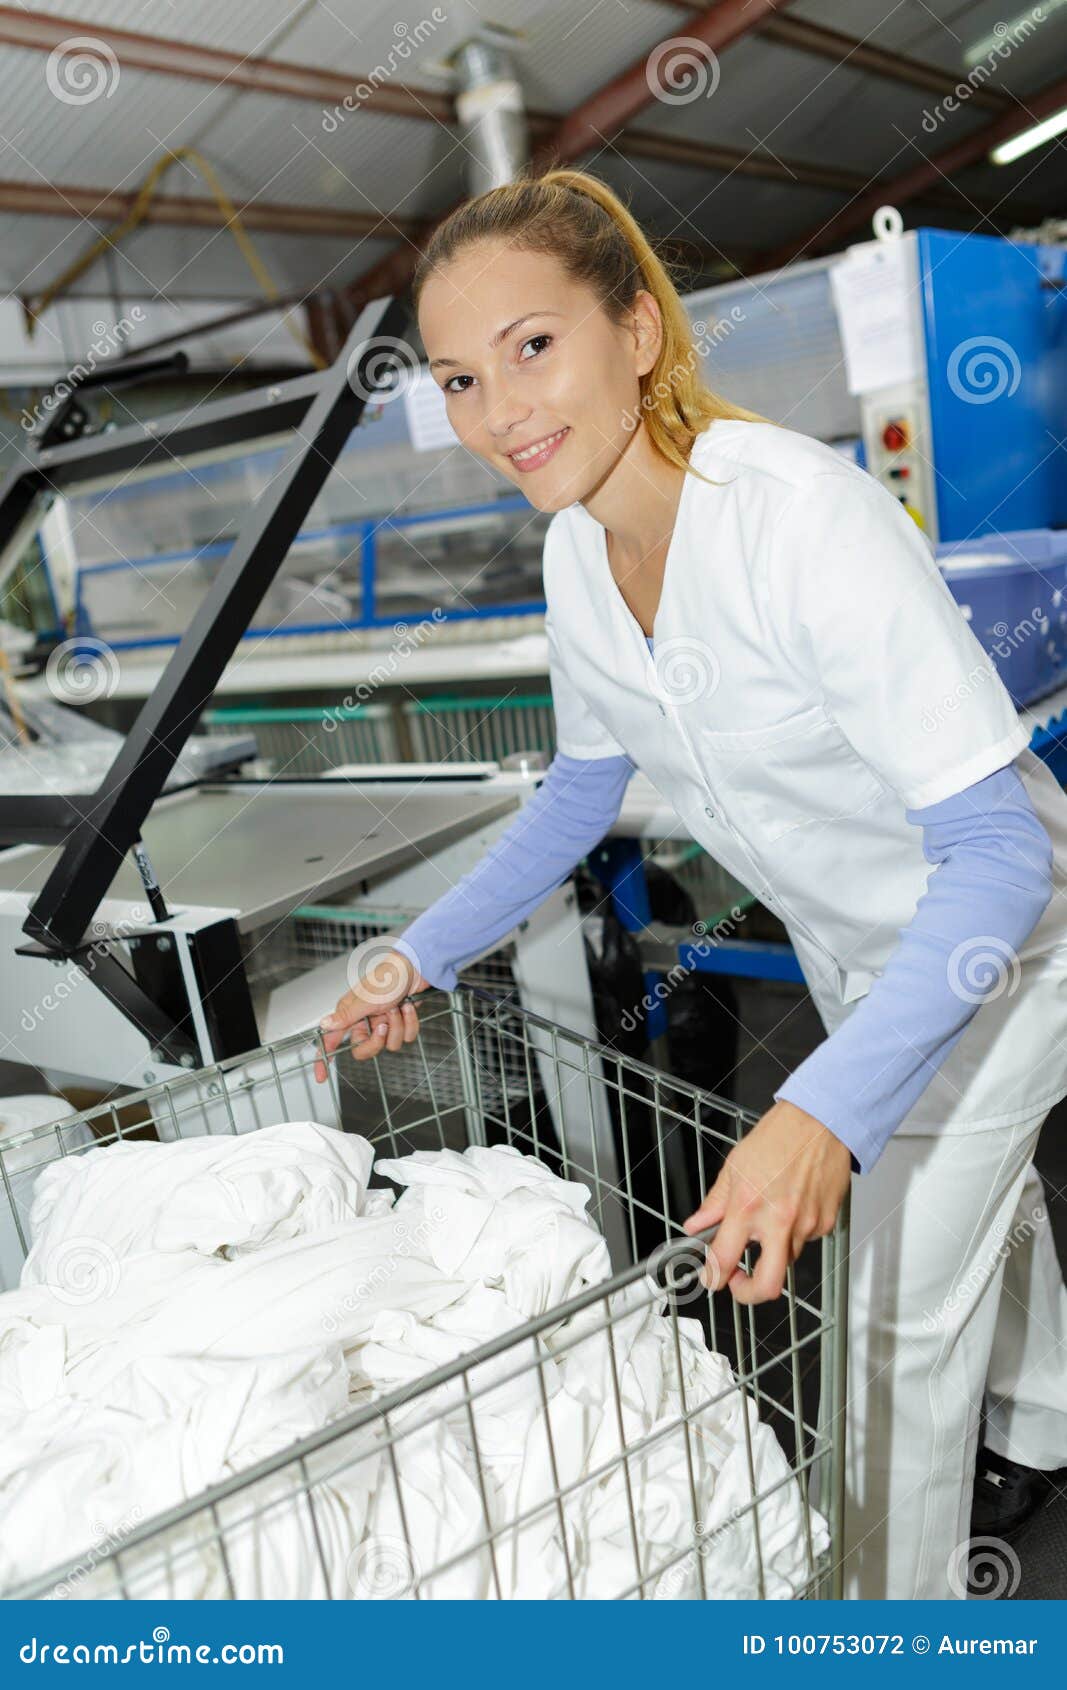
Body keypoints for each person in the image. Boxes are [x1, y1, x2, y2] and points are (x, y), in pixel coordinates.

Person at [315, 167, 1067, 1599]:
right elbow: (580, 791)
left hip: (1004, 951)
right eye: (465, 379)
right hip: (864, 953)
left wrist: (818, 1114)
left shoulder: (800, 521)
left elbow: (997, 853)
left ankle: (880, 1625)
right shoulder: (575, 557)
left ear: (640, 330)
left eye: (535, 346)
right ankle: (1047, 1415)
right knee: (988, 1213)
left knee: (894, 1309)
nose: (501, 410)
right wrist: (419, 949)